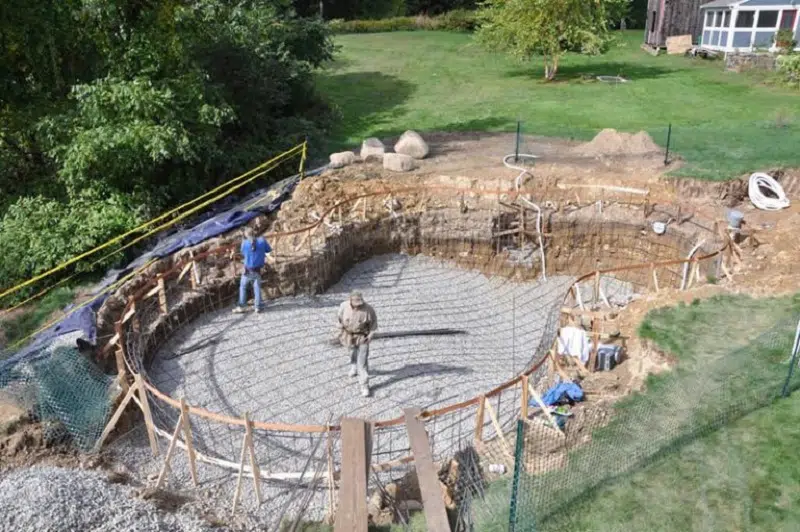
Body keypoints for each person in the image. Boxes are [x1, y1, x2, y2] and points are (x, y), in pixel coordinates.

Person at [338, 291, 378, 397]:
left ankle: (364, 385)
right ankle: (353, 366)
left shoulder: (368, 309)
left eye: (360, 301)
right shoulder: (343, 306)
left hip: (362, 337)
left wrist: (370, 336)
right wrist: (340, 332)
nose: (358, 304)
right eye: (356, 302)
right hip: (348, 336)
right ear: (350, 299)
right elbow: (339, 319)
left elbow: (374, 324)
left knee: (363, 363)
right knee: (351, 353)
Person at [232, 227, 271, 314]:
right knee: (257, 287)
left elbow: (243, 253)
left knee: (243, 287)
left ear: (246, 235)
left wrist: (243, 240)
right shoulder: (262, 241)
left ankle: (242, 306)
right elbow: (268, 250)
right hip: (258, 270)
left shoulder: (245, 243)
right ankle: (258, 307)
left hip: (248, 270)